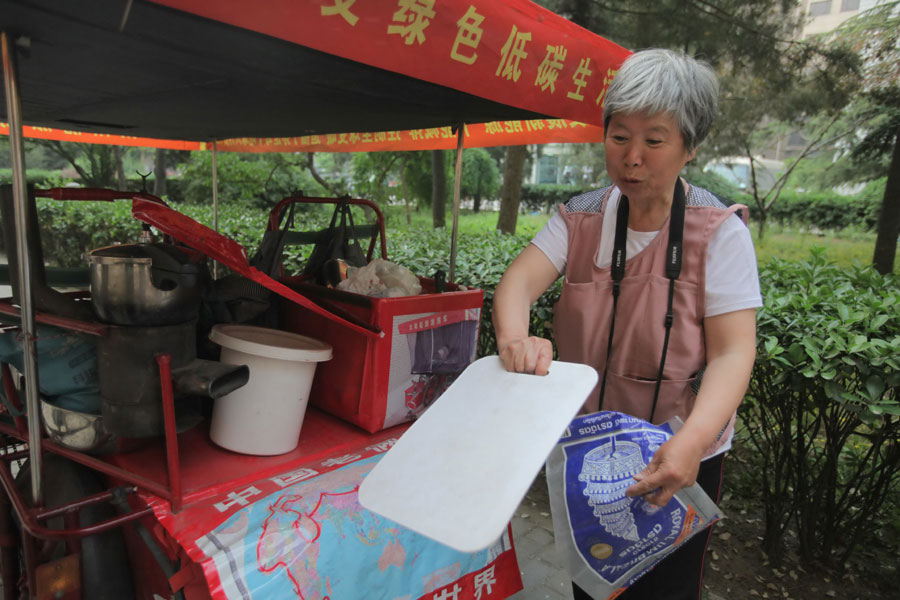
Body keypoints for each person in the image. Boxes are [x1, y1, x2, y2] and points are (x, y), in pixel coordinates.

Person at [492, 49, 761, 600]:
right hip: (592, 449)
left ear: (690, 146)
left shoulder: (719, 231)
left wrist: (693, 440)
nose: (632, 157)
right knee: (592, 581)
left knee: (667, 587)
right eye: (619, 136)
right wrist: (516, 338)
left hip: (680, 447)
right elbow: (517, 284)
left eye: (654, 140)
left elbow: (734, 352)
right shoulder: (582, 216)